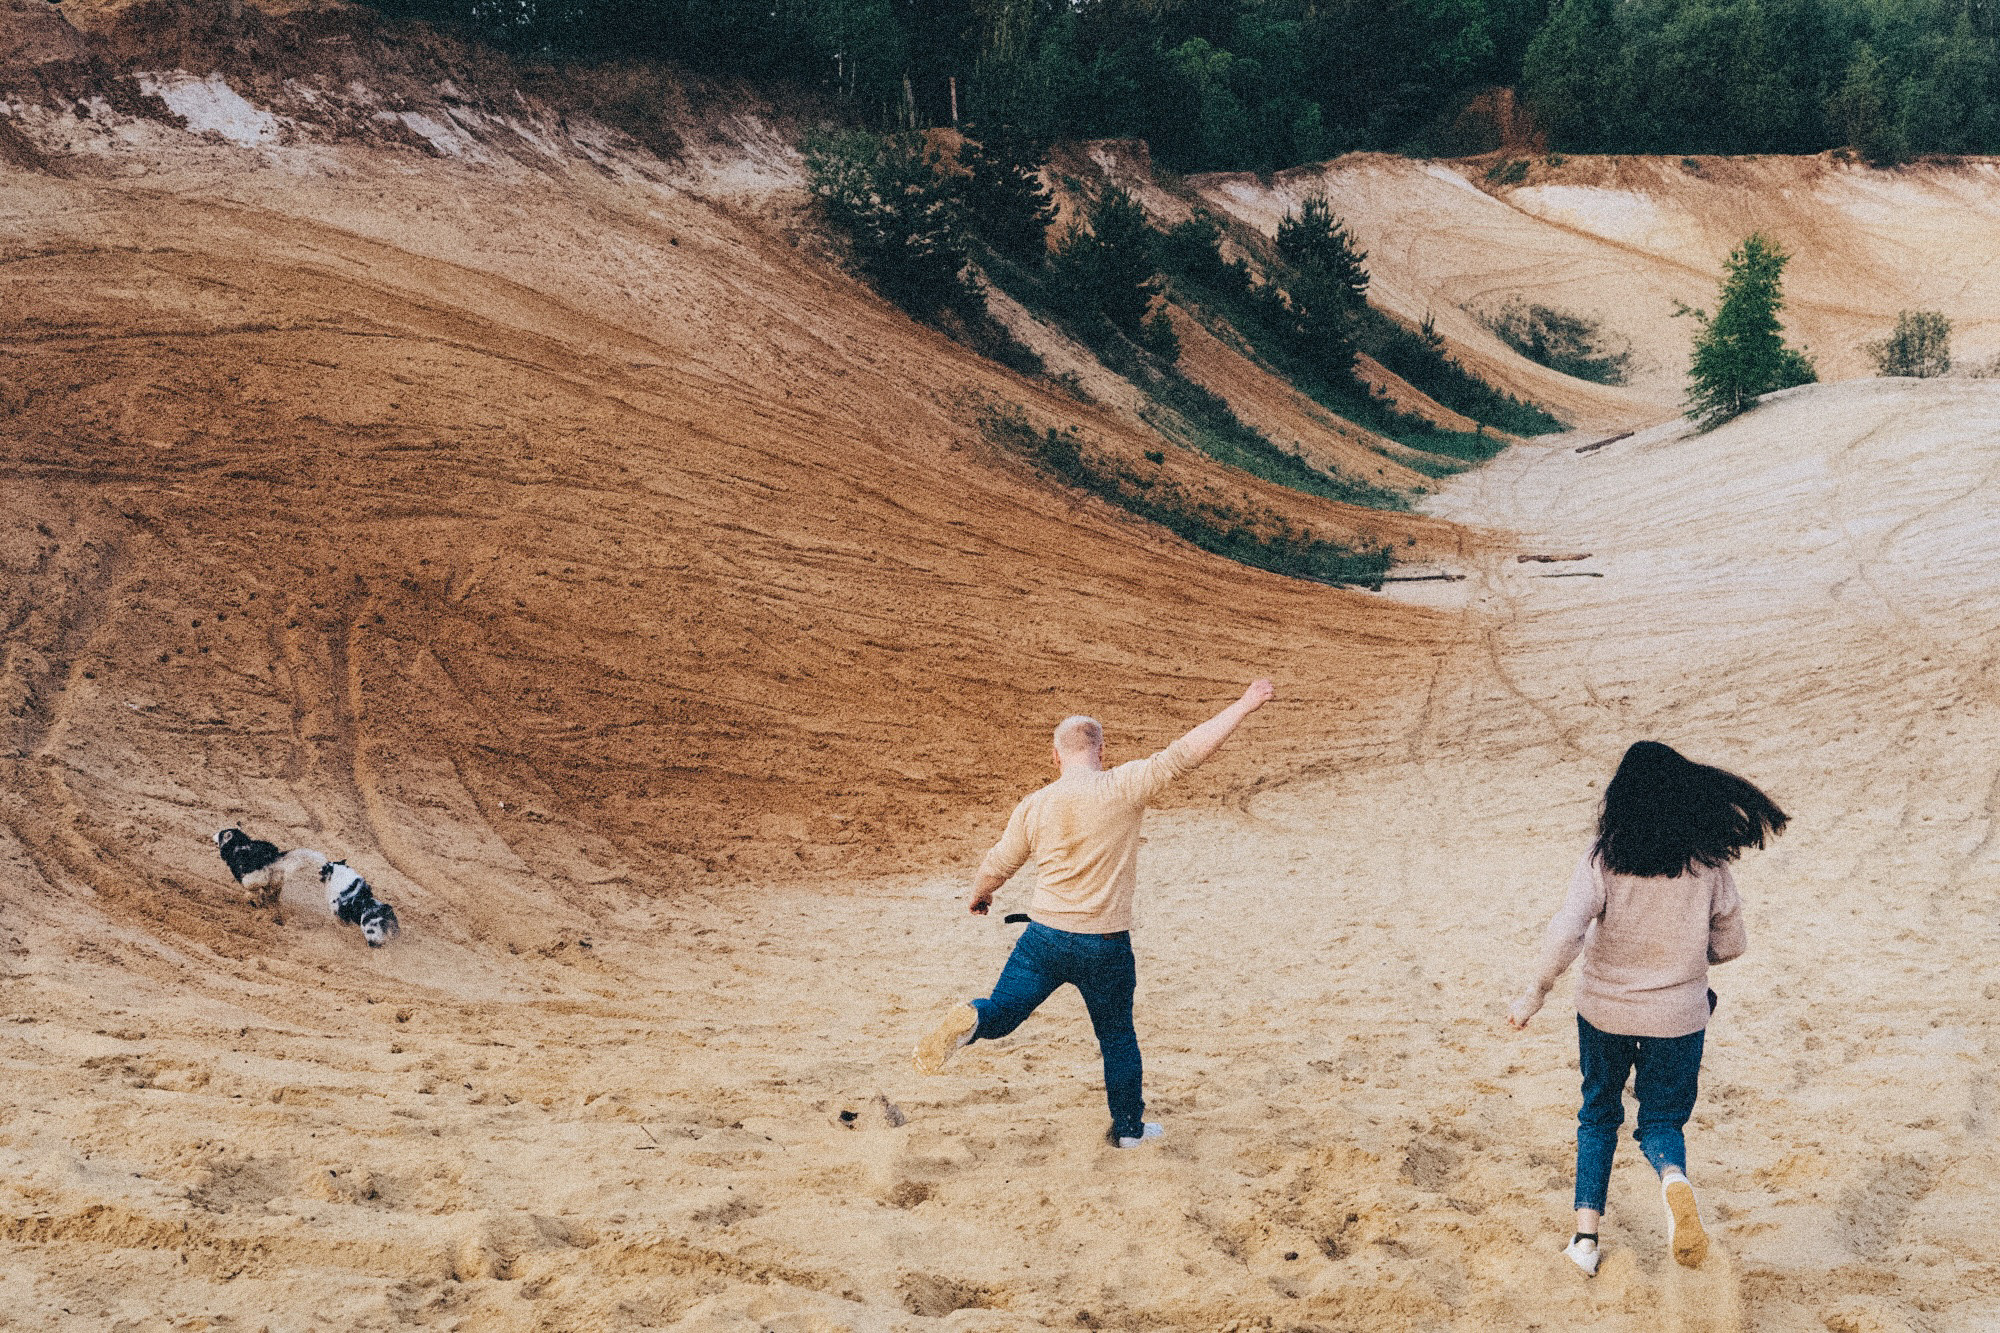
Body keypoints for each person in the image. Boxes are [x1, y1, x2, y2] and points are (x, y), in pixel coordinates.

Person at [912, 679, 1277, 1147]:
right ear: (1102, 751)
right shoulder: (1122, 786)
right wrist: (1244, 705)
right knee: (1118, 1040)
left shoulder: (1035, 804)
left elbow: (1000, 861)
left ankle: (974, 1019)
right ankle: (1128, 1132)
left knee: (1003, 1014)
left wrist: (980, 894)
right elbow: (1188, 751)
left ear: (1055, 756)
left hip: (1043, 940)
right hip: (1104, 945)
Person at [1508, 741, 1788, 1275]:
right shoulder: (1708, 865)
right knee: (1661, 1123)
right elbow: (1731, 945)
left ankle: (1585, 1242)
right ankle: (1673, 1181)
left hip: (1604, 1011)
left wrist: (1534, 995)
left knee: (1597, 1116)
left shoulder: (1603, 857)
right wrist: (1684, 958)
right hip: (1678, 1015)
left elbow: (1566, 932)